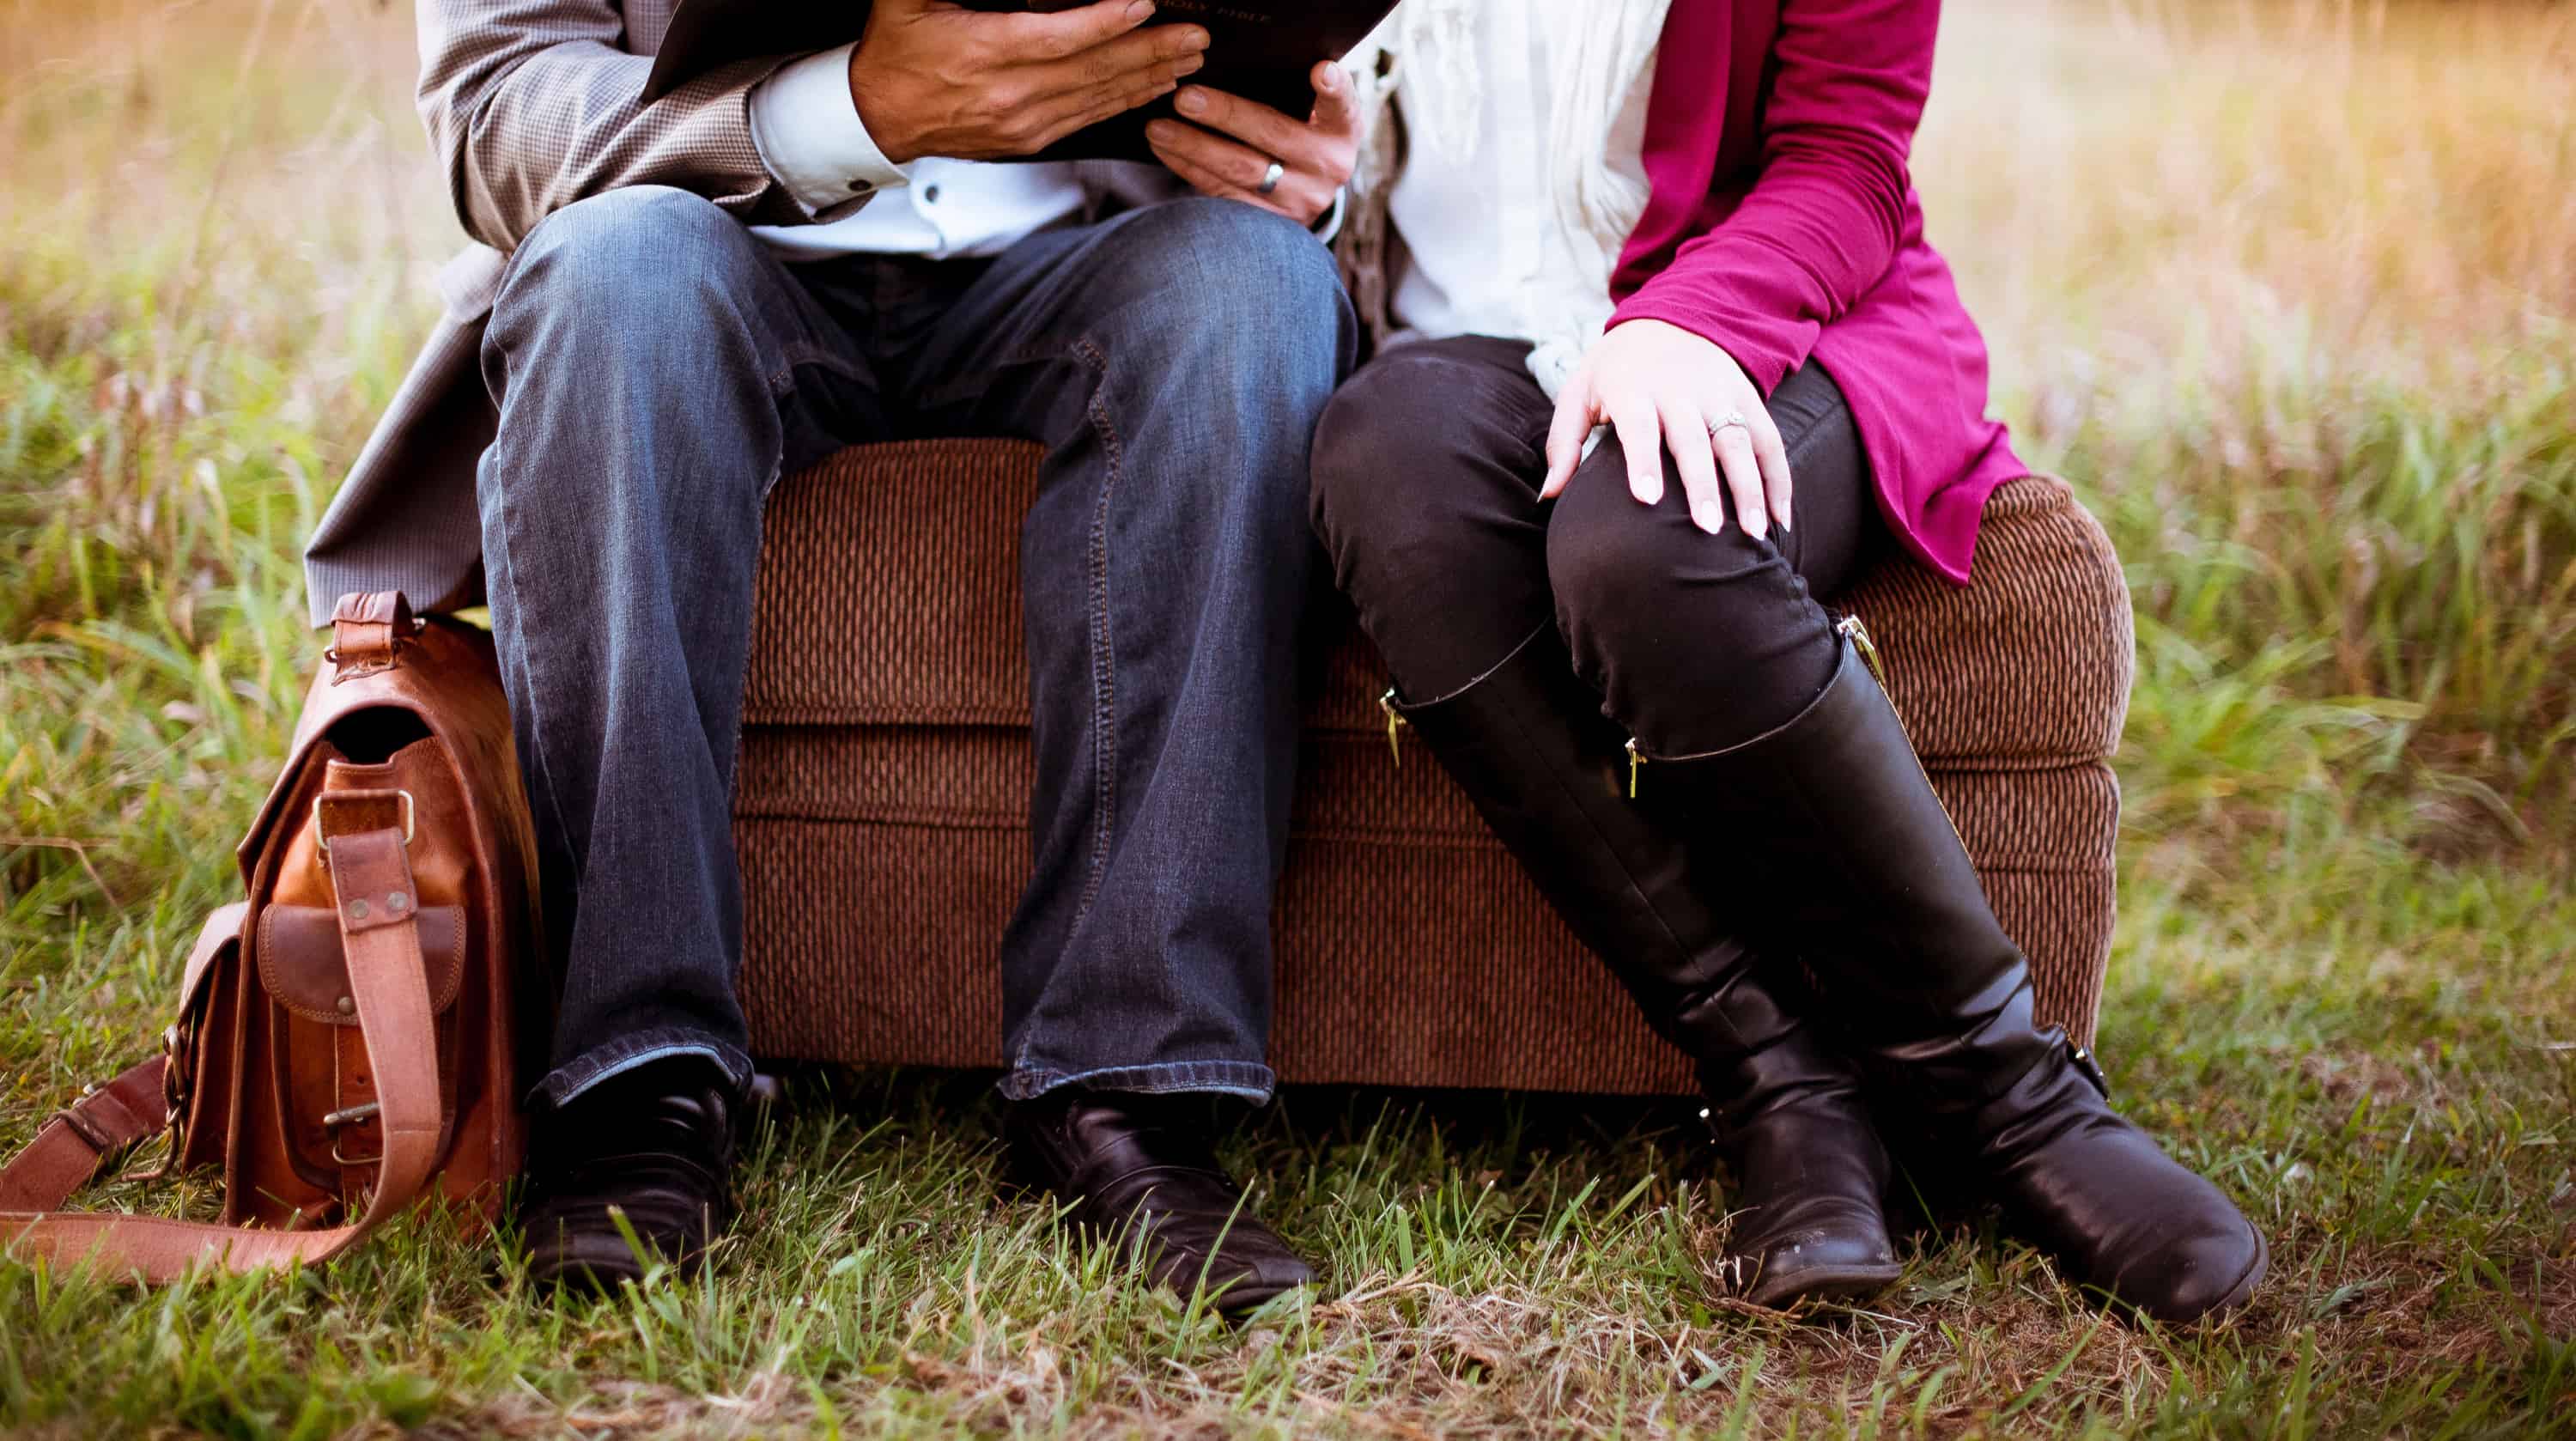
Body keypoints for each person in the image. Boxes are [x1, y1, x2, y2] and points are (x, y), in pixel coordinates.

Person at [305, 0, 1366, 1314]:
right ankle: (640, 1080)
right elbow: (493, 116)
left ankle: (1130, 1089)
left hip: (1087, 251)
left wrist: (1300, 169)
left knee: (1251, 287)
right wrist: (854, 110)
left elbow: (1346, 117)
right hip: (697, 239)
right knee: (613, 274)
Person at [1307, 0, 2266, 1323]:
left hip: (1765, 322)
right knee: (1380, 474)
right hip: (1451, 356)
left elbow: (1849, 157)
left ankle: (2005, 1094)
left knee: (1645, 535)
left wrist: (1684, 324)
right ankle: (1782, 1080)